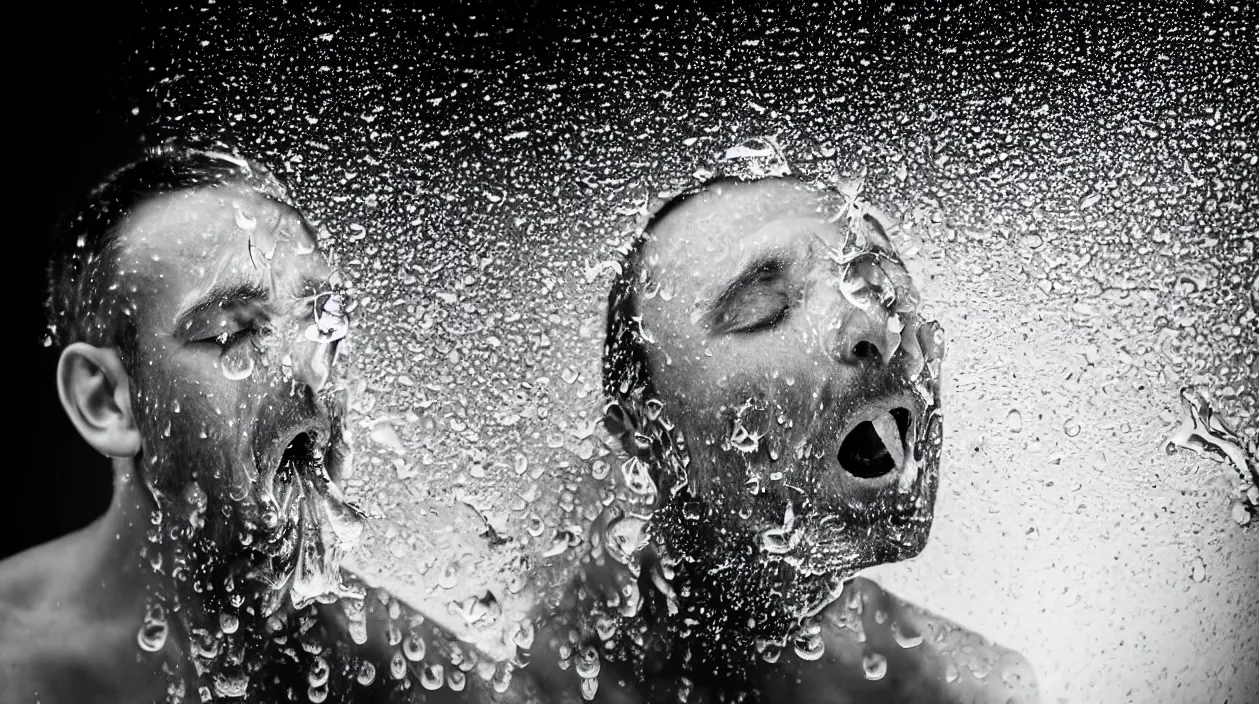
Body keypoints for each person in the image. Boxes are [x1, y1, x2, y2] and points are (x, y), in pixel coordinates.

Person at [0, 144, 539, 704]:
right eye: (230, 335)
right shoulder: (15, 666)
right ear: (108, 401)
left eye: (321, 323)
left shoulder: (419, 675)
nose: (302, 372)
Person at [528, 146, 1040, 703]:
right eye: (764, 308)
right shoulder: (524, 657)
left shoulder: (967, 685)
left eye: (877, 278)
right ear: (649, 431)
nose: (873, 322)